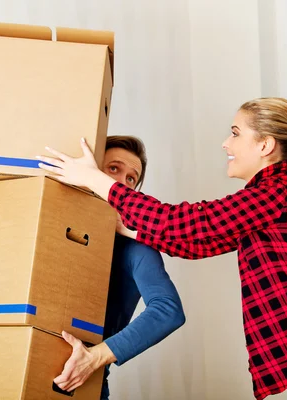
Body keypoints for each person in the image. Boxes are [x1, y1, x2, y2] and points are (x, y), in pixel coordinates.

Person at [38, 98, 287, 400]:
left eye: (235, 133)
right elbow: (196, 241)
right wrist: (131, 227)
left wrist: (93, 178)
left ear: (264, 145)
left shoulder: (275, 192)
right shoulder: (273, 195)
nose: (225, 143)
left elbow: (184, 225)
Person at [52, 136, 186, 399]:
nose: (120, 183)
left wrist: (94, 357)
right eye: (113, 169)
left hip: (80, 386)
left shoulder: (135, 246)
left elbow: (168, 310)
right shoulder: (52, 221)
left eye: (131, 179)